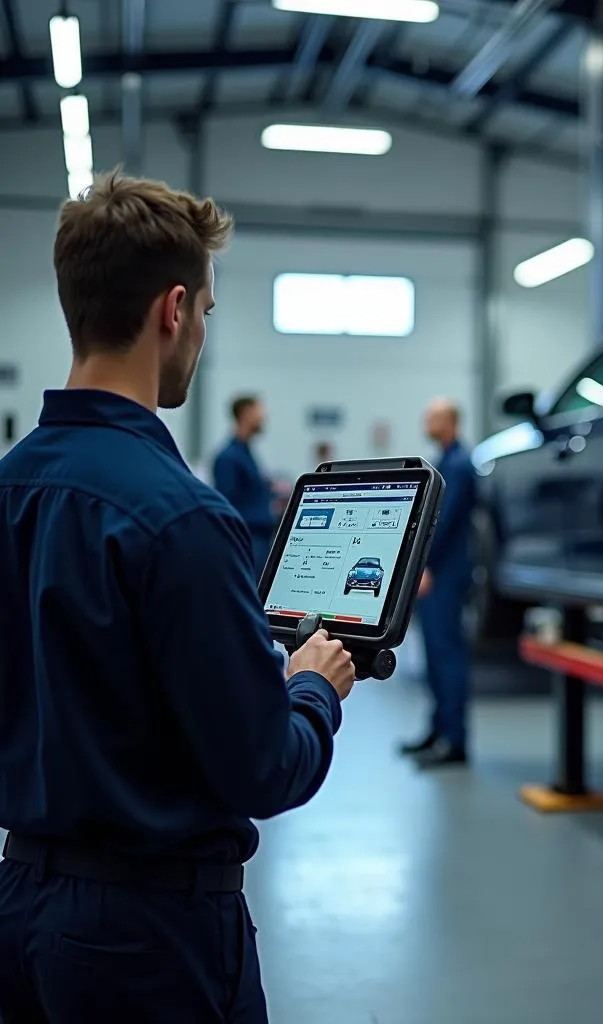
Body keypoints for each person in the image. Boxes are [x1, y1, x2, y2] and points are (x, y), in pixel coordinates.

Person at [0, 170, 356, 1023]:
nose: (200, 331)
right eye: (205, 311)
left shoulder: (10, 487)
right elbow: (264, 767)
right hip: (147, 940)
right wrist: (313, 687)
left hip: (19, 913)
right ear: (172, 310)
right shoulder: (179, 516)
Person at [400, 398, 477, 769]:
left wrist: (424, 566)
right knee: (433, 654)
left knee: (447, 656)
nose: (426, 422)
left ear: (450, 422)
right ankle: (438, 730)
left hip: (444, 574)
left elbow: (440, 525)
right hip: (435, 573)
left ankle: (455, 740)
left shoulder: (459, 465)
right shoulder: (446, 461)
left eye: (432, 417)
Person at [213, 395, 277, 573]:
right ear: (246, 413)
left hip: (259, 539)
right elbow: (226, 506)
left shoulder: (247, 454)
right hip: (247, 541)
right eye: (259, 412)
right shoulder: (229, 458)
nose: (264, 418)